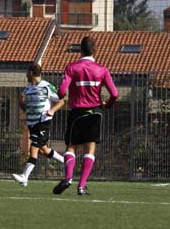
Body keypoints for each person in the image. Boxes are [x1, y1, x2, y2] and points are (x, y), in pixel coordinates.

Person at [53, 36, 119, 196]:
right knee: (90, 148)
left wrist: (63, 97)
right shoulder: (102, 70)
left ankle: (68, 177)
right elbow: (115, 94)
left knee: (71, 147)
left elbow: (61, 92)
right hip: (95, 112)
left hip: (77, 112)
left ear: (80, 50)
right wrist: (107, 105)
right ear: (95, 51)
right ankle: (81, 186)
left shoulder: (71, 67)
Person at [12, 63, 65, 187]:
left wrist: (51, 111)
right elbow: (25, 106)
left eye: (27, 72)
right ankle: (67, 162)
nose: (26, 75)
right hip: (32, 122)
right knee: (43, 150)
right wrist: (21, 103)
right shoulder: (27, 89)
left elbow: (61, 101)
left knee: (34, 148)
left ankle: (24, 177)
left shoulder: (46, 86)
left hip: (42, 122)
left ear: (31, 73)